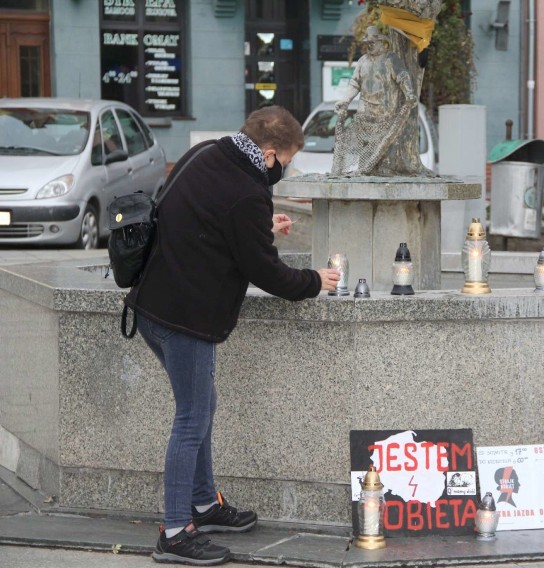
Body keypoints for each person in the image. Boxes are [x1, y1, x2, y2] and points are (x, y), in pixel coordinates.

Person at [124, 105, 340, 565]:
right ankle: (177, 531)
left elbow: (201, 219)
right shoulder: (248, 191)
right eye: (288, 159)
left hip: (151, 307)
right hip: (186, 318)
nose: (288, 168)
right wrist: (314, 281)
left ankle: (203, 503)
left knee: (202, 406)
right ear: (268, 154)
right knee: (192, 417)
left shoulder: (206, 154)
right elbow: (266, 272)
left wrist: (261, 229)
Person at [331, 26, 419, 176]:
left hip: (385, 112)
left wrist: (409, 93)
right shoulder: (362, 61)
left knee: (384, 145)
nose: (369, 45)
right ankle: (364, 169)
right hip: (364, 111)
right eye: (368, 43)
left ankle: (384, 170)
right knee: (365, 145)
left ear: (381, 42)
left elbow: (403, 77)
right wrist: (345, 100)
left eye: (372, 42)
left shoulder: (391, 59)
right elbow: (354, 83)